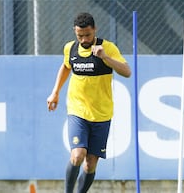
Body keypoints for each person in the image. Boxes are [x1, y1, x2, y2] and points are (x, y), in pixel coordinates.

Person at [47, 12, 131, 193]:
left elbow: (126, 71)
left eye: (88, 35)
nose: (84, 39)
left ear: (95, 30)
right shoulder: (70, 48)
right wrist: (55, 92)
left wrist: (105, 58)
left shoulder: (107, 47)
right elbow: (66, 66)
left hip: (102, 114)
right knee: (77, 155)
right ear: (75, 32)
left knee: (90, 164)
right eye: (80, 36)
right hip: (78, 110)